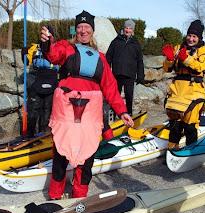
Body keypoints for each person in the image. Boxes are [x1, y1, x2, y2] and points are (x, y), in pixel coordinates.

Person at [40, 10, 134, 199]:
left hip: (90, 113)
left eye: (87, 27)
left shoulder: (100, 57)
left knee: (87, 155)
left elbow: (110, 87)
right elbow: (53, 54)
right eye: (80, 27)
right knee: (60, 152)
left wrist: (122, 111)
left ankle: (79, 195)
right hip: (66, 109)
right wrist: (46, 43)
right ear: (76, 30)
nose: (83, 30)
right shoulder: (66, 48)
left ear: (92, 31)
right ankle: (55, 195)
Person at [161, 19, 205, 150]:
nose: (191, 39)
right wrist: (169, 59)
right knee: (174, 124)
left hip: (194, 90)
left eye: (194, 36)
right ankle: (172, 151)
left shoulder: (203, 50)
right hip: (177, 90)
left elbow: (201, 66)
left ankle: (191, 152)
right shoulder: (179, 47)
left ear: (199, 37)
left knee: (190, 125)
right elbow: (167, 69)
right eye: (189, 35)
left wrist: (186, 59)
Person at [106, 19, 145, 116]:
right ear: (123, 29)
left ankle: (129, 114)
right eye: (126, 28)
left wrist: (140, 76)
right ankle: (113, 115)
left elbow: (140, 61)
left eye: (130, 28)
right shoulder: (115, 41)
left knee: (129, 96)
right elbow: (108, 57)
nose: (128, 30)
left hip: (129, 75)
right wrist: (106, 73)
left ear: (133, 30)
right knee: (115, 96)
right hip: (117, 74)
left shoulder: (136, 44)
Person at [21, 43, 59, 137]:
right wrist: (24, 54)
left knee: (47, 109)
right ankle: (30, 134)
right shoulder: (34, 48)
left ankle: (44, 132)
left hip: (52, 82)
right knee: (34, 108)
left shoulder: (57, 48)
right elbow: (25, 62)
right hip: (37, 81)